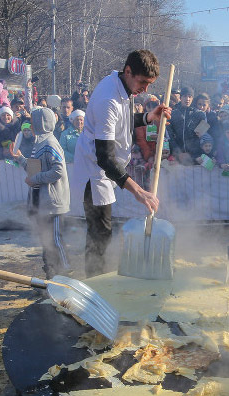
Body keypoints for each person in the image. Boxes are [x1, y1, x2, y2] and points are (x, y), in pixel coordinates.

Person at [75, 49, 171, 277]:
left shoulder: (122, 86)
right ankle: (95, 282)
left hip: (103, 169)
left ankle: (97, 275)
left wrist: (149, 118)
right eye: (143, 82)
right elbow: (105, 158)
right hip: (94, 170)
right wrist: (139, 191)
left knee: (102, 231)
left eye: (150, 84)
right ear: (128, 71)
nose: (145, 90)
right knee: (100, 231)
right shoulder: (108, 99)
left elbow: (123, 121)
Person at [15, 107, 70, 279]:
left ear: (41, 123)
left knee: (55, 240)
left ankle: (66, 273)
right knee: (46, 241)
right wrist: (20, 158)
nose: (31, 125)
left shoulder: (50, 143)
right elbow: (33, 170)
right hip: (41, 203)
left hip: (52, 203)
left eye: (33, 122)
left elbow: (58, 171)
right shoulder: (38, 143)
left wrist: (36, 178)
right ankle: (51, 273)